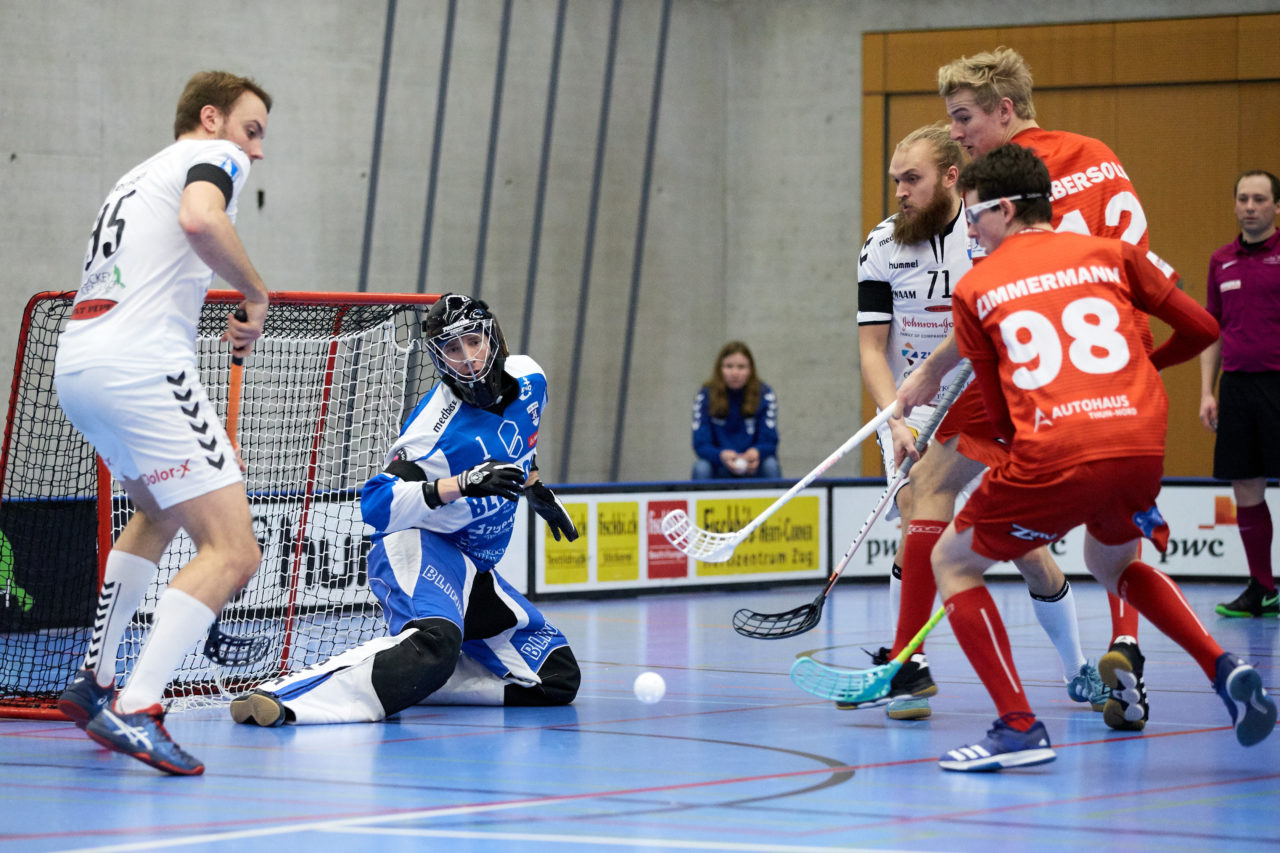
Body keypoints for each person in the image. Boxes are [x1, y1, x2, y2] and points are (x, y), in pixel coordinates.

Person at [929, 142, 1274, 771]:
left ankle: (1017, 728)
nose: (971, 231)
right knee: (1111, 560)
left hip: (1057, 443)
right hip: (1140, 443)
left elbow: (1003, 413)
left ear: (1005, 209)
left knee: (950, 560)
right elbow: (1203, 329)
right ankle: (1224, 668)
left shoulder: (977, 286)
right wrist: (1146, 365)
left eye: (974, 217)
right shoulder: (1111, 253)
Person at [893, 46, 1160, 732]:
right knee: (1107, 520)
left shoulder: (1010, 182)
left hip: (1039, 360)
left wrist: (929, 369)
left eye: (963, 119)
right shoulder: (1097, 151)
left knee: (933, 490)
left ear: (1005, 110)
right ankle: (1124, 641)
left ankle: (910, 667)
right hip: (1117, 360)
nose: (956, 133)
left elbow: (1007, 288)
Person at [52, 71, 273, 775]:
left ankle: (98, 675)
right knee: (235, 551)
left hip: (79, 363)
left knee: (154, 508)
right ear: (211, 119)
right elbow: (201, 219)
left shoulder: (135, 174)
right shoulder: (210, 159)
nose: (256, 152)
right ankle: (141, 704)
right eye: (251, 130)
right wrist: (254, 292)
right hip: (141, 366)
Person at [228, 294, 581, 726]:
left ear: (495, 338)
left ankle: (422, 677)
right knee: (436, 641)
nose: (467, 359)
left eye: (473, 341)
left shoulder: (531, 378)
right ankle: (287, 697)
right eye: (452, 349)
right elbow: (377, 504)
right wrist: (461, 484)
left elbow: (520, 439)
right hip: (420, 542)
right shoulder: (431, 433)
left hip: (473, 566)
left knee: (556, 678)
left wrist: (535, 487)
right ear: (439, 358)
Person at [853, 123, 1103, 721]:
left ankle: (1078, 670)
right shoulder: (881, 244)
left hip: (990, 405)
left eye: (912, 180)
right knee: (917, 513)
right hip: (914, 410)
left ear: (951, 176)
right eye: (895, 182)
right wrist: (894, 421)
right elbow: (871, 347)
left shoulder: (986, 236)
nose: (901, 193)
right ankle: (909, 669)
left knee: (1027, 552)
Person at [1199, 170, 1280, 619]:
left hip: (1277, 383)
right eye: (1243, 198)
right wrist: (1207, 393)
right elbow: (1212, 330)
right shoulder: (1220, 261)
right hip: (1237, 388)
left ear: (1276, 207)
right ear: (1234, 205)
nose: (1250, 206)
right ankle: (1263, 589)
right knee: (1246, 486)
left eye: (1260, 199)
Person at [691, 342, 781, 479]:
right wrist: (721, 455)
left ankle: (779, 501)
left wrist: (757, 452)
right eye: (729, 366)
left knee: (770, 465)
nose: (735, 373)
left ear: (750, 370)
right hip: (720, 464)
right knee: (701, 468)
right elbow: (700, 443)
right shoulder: (705, 395)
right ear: (720, 369)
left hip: (754, 465)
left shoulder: (765, 394)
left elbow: (770, 440)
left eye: (741, 367)